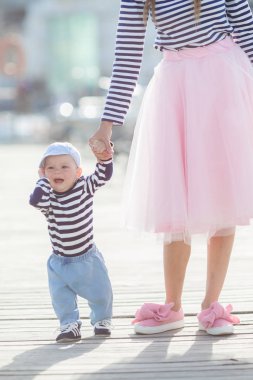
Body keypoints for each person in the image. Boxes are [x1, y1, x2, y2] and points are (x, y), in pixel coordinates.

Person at [89, 0, 253, 336]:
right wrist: (107, 125)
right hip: (174, 85)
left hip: (224, 80)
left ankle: (211, 306)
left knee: (222, 191)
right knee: (174, 194)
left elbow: (249, 33)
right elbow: (127, 56)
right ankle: (174, 305)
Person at [29, 141, 113, 343]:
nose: (58, 171)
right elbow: (35, 200)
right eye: (51, 168)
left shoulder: (84, 187)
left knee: (100, 292)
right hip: (60, 262)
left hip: (87, 258)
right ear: (43, 172)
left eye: (65, 166)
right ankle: (69, 324)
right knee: (61, 297)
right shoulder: (48, 197)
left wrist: (105, 158)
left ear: (78, 172)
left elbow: (103, 175)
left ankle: (102, 320)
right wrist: (42, 181)